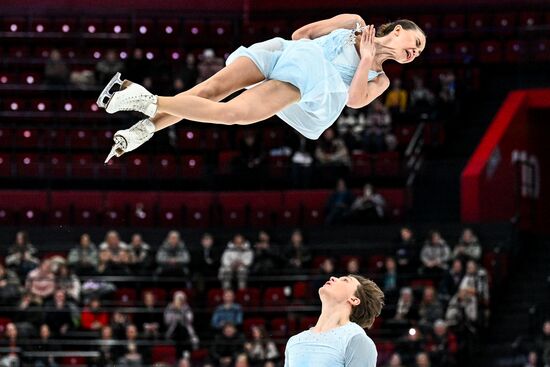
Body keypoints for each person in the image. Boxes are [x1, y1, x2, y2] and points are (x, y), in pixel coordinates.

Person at [97, 17, 425, 162]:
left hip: (301, 84)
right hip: (286, 53)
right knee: (211, 89)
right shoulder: (354, 22)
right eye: (416, 43)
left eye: (420, 52)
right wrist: (308, 55)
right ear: (398, 31)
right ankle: (144, 129)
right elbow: (300, 35)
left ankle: (142, 99)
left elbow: (353, 101)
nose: (416, 52)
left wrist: (367, 59)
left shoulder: (379, 79)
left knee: (233, 114)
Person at [284, 274, 384, 367]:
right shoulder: (294, 341)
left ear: (354, 299)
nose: (332, 277)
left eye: (345, 280)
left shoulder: (356, 340)